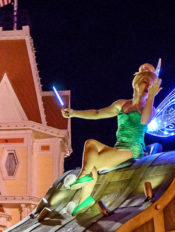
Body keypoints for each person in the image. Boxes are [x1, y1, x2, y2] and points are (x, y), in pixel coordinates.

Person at [61, 64, 162, 215]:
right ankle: (84, 200)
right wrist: (74, 113)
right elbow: (97, 113)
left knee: (91, 164)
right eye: (145, 82)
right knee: (90, 145)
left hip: (132, 151)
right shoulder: (122, 104)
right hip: (118, 149)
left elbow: (145, 121)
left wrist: (151, 98)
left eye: (151, 84)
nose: (148, 86)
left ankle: (83, 177)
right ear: (136, 83)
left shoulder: (149, 108)